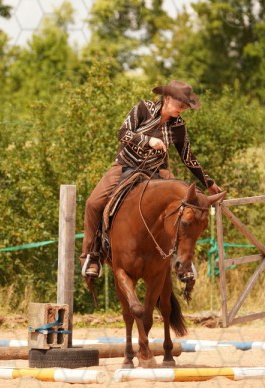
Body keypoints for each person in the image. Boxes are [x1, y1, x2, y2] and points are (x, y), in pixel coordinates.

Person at [80, 80, 222, 278]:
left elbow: (188, 157)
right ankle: (93, 255)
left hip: (158, 171)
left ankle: (183, 262)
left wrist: (209, 183)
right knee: (93, 203)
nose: (183, 108)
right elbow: (122, 133)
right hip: (125, 165)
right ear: (167, 98)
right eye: (180, 103)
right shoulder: (143, 108)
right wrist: (148, 140)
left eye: (186, 106)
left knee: (185, 204)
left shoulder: (179, 125)